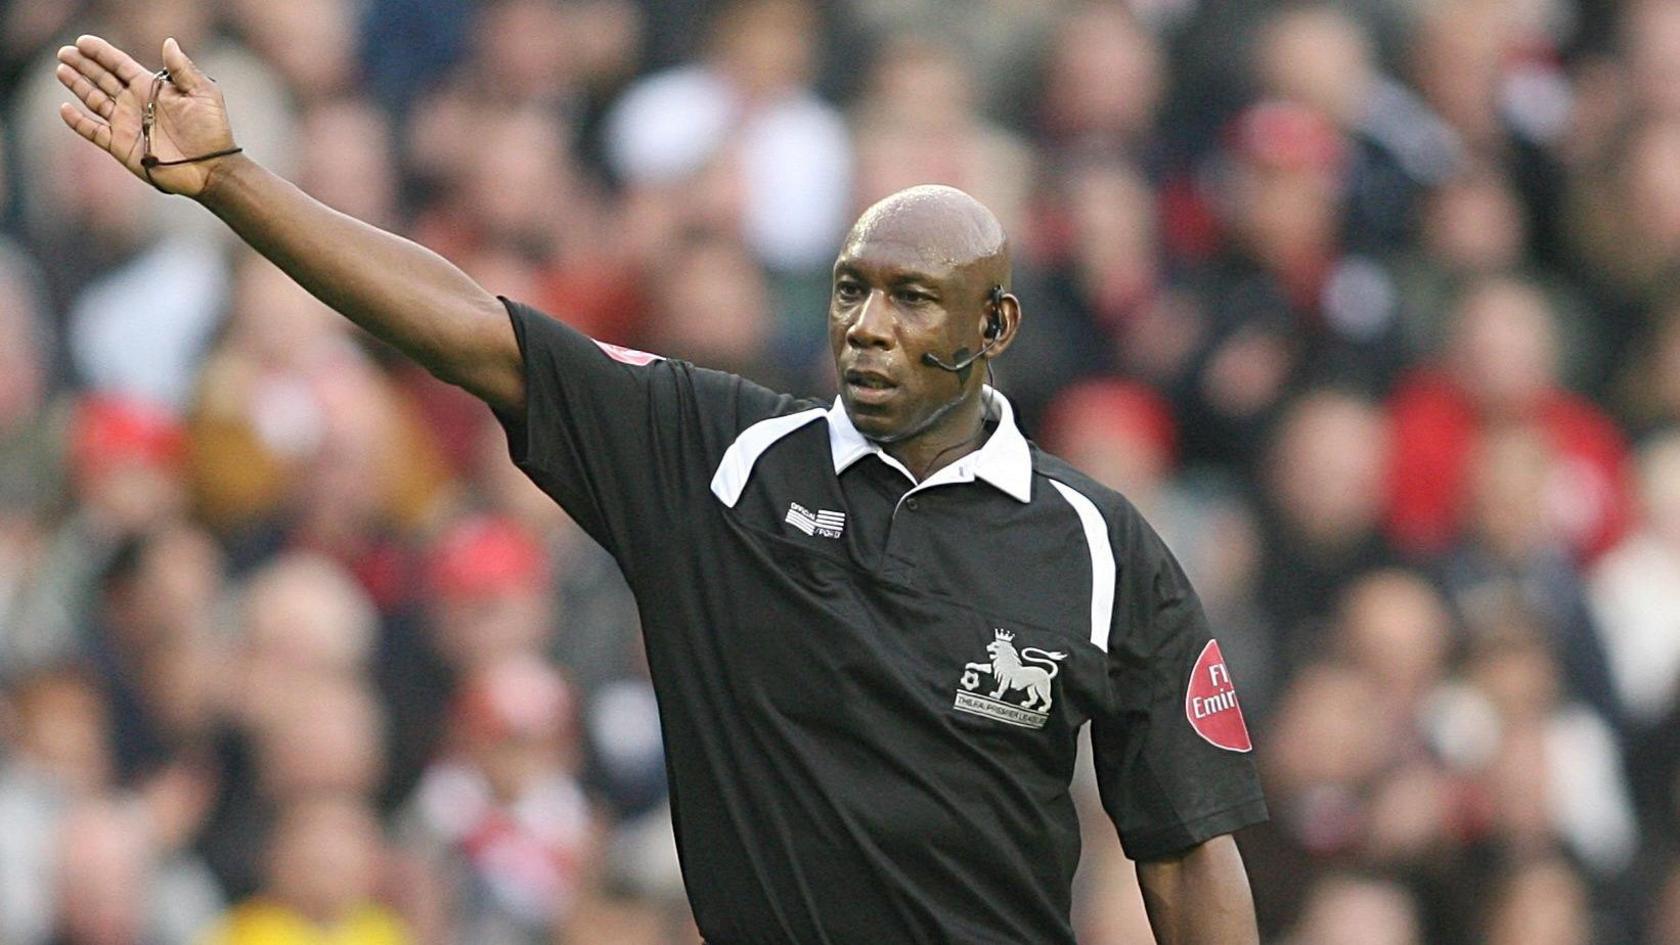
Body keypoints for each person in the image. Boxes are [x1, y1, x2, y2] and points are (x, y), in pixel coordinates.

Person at [53, 35, 1266, 944]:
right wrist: (234, 182)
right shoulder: (719, 456)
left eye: (912, 300)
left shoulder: (1103, 549)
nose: (869, 328)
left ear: (994, 323)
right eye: (851, 291)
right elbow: (479, 332)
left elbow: (1182, 856)